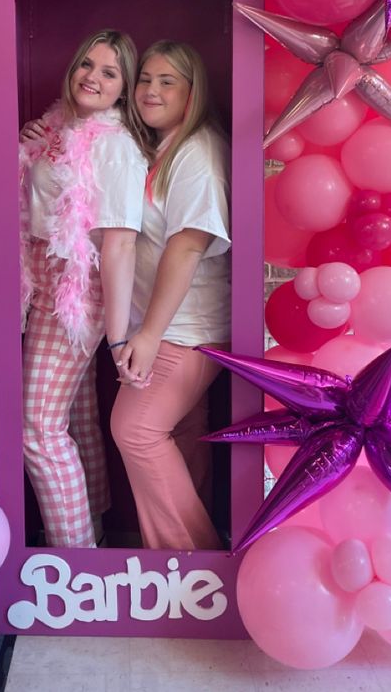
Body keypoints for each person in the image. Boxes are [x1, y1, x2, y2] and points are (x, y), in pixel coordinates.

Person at [19, 29, 149, 548]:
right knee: (74, 414)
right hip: (45, 274)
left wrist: (118, 339)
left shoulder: (115, 147)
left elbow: (119, 245)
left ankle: (74, 559)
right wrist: (32, 147)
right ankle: (91, 526)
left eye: (109, 72)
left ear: (124, 88)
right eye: (86, 65)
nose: (92, 78)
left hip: (80, 287)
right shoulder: (58, 127)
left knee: (38, 429)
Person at [111, 40, 231, 551]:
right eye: (146, 80)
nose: (151, 90)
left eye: (168, 82)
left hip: (184, 329)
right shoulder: (167, 147)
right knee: (179, 436)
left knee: (134, 430)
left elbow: (187, 247)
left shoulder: (198, 152)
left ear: (192, 92)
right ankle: (189, 566)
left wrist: (149, 335)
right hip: (176, 327)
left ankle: (194, 561)